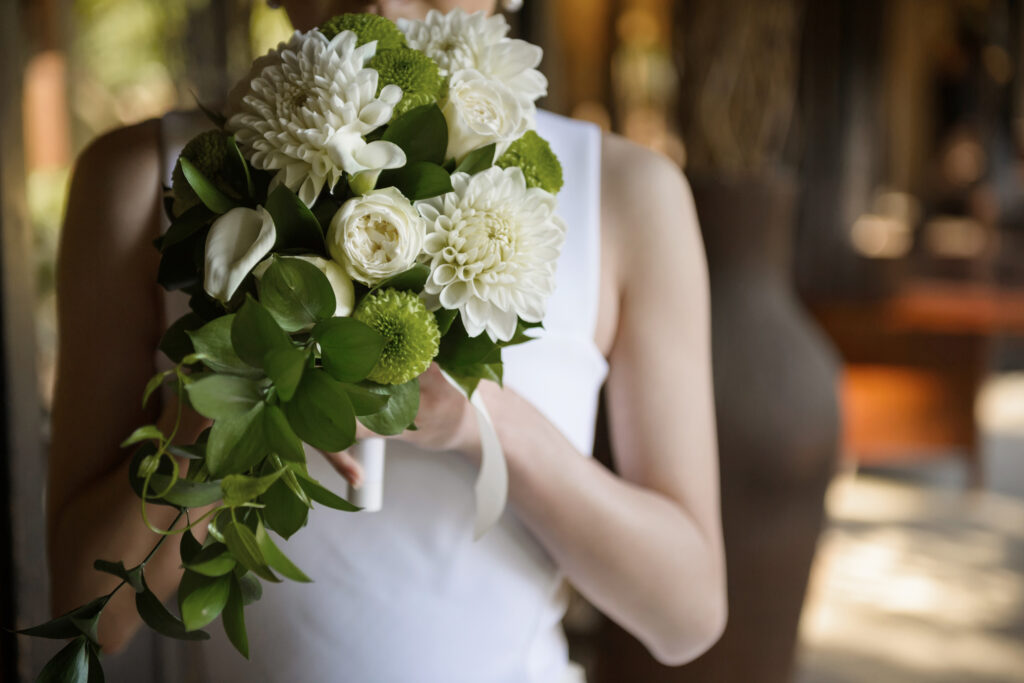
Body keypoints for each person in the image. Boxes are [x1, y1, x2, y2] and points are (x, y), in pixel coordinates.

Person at [47, 0, 726, 680]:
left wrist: (481, 420)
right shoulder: (140, 179)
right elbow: (88, 612)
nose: (384, 4)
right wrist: (237, 392)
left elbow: (687, 615)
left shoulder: (630, 194)